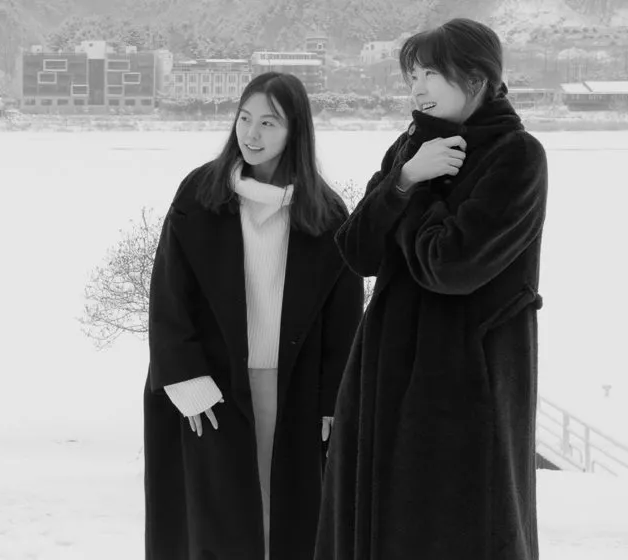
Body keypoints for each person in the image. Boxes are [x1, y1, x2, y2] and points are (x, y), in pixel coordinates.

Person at [316, 18, 548, 560]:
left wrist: (416, 193)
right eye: (412, 76)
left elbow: (452, 266)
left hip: (467, 372)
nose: (417, 88)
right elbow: (358, 252)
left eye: (430, 74)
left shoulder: (517, 155)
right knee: (378, 520)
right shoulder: (412, 147)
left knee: (460, 522)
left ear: (476, 77)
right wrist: (403, 180)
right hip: (384, 364)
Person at [144, 72, 364, 560]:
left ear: (295, 131)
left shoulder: (326, 212)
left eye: (269, 122)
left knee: (287, 522)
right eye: (245, 118)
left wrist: (337, 397)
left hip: (295, 390)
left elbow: (345, 317)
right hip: (211, 388)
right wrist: (185, 378)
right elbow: (169, 294)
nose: (252, 134)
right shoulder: (200, 194)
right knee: (216, 524)